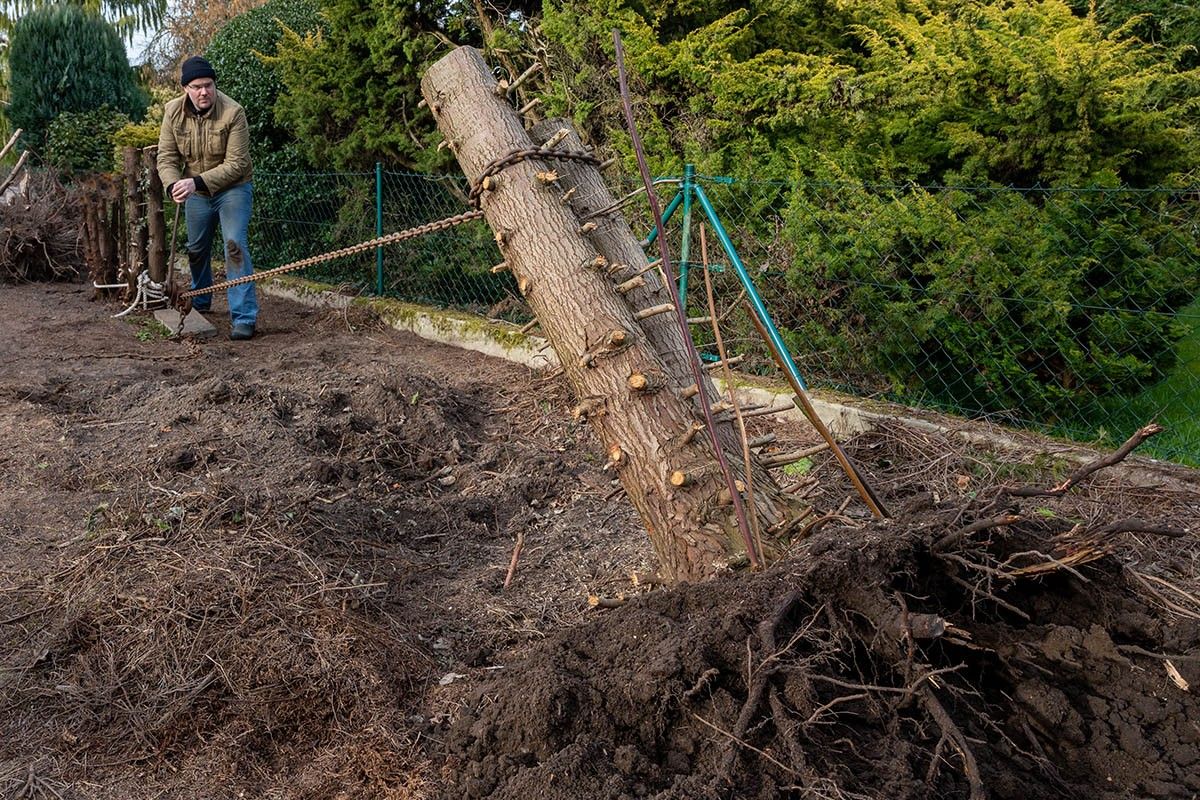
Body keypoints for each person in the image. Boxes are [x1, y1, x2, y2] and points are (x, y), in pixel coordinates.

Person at [157, 55, 259, 340]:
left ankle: (244, 316)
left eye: (209, 85)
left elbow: (237, 164)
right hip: (195, 192)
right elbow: (166, 157)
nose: (204, 92)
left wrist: (196, 181)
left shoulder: (234, 112)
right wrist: (172, 185)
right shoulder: (172, 112)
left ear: (215, 85)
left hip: (233, 188)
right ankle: (201, 298)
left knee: (234, 245)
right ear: (185, 89)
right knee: (196, 248)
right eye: (197, 86)